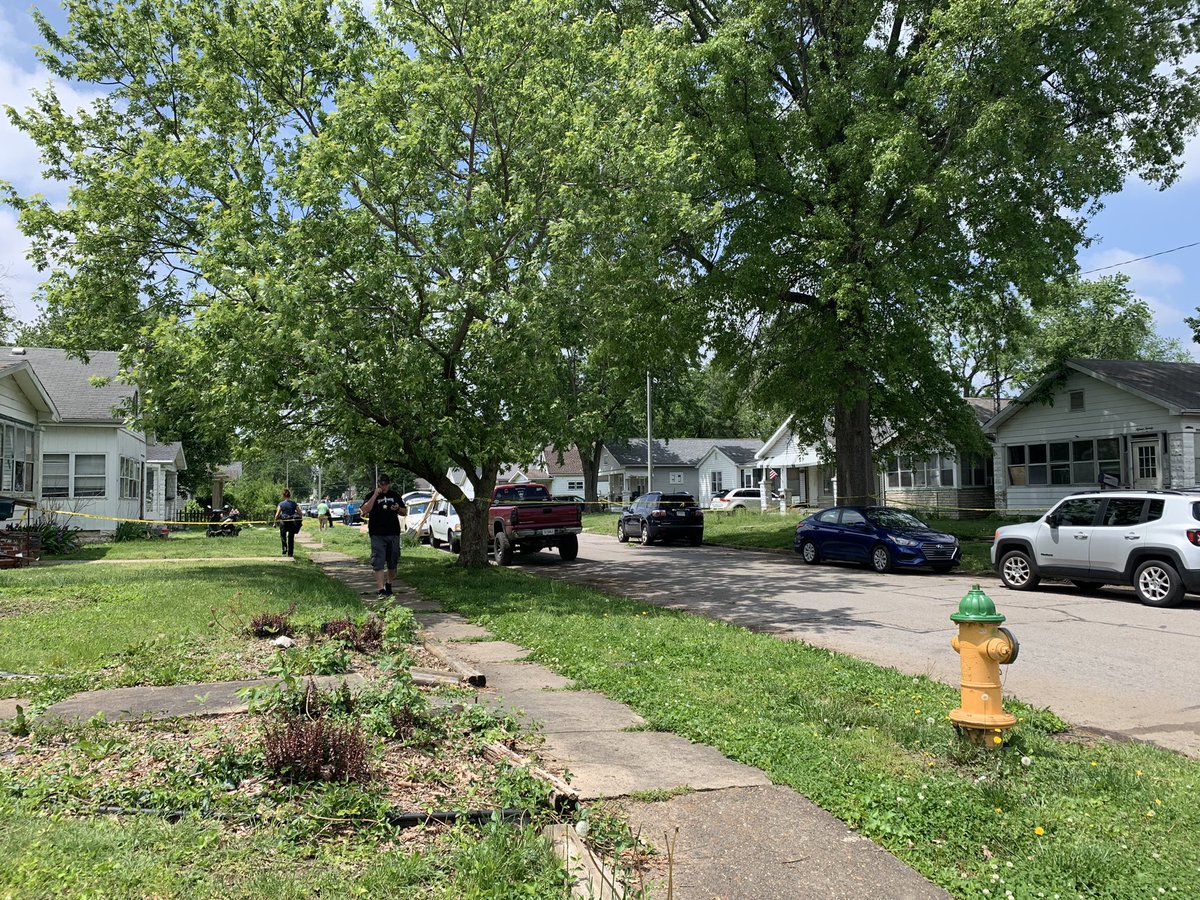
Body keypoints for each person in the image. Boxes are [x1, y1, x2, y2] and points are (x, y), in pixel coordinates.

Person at [361, 474, 406, 598]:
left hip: (393, 533)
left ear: (389, 484)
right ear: (378, 484)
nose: (384, 486)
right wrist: (375, 495)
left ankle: (389, 585)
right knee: (378, 561)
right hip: (377, 534)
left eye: (386, 484)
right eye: (382, 484)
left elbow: (404, 512)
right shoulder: (370, 496)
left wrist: (397, 508)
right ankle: (381, 590)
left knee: (393, 562)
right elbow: (365, 510)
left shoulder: (395, 495)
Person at [274, 488, 303, 557]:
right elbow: (300, 513)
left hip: (283, 523)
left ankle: (284, 549)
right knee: (291, 537)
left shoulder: (281, 504)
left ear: (283, 495)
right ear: (289, 496)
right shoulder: (294, 503)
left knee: (283, 536)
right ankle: (290, 553)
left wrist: (274, 522)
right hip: (292, 522)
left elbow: (277, 514)